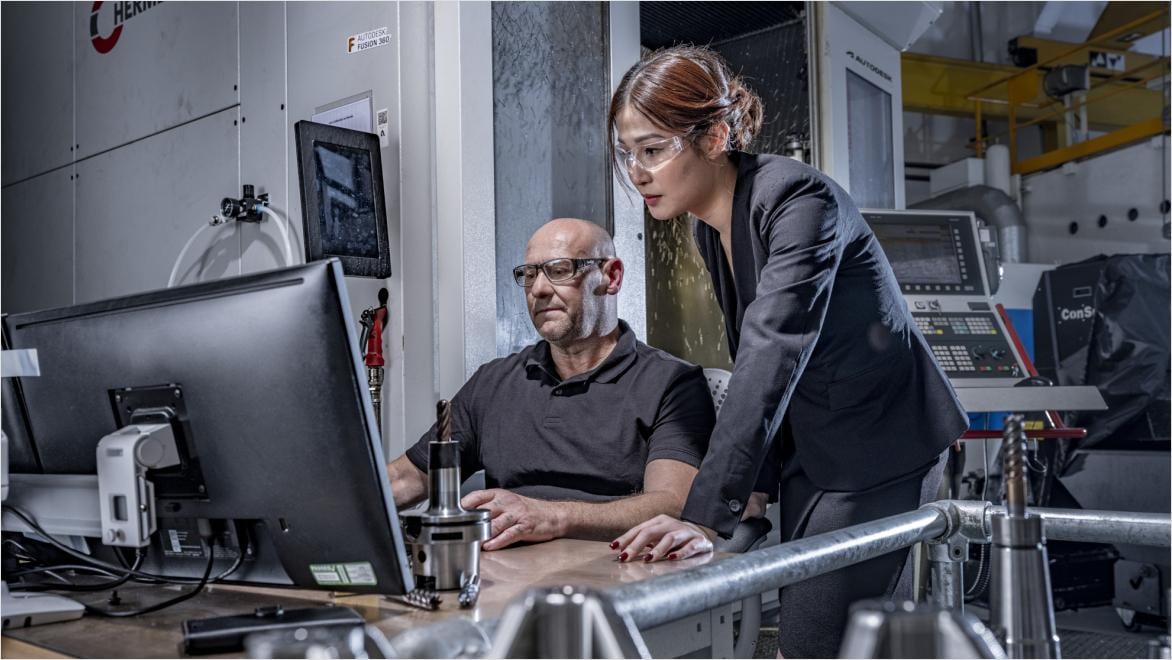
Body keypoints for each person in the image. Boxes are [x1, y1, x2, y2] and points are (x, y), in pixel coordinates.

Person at [606, 46, 967, 657]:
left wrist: (703, 516)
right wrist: (755, 486)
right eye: (627, 154)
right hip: (817, 446)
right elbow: (752, 349)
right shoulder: (709, 223)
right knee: (812, 624)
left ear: (715, 136)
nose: (638, 171)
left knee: (818, 638)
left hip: (881, 444)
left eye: (652, 148)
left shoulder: (799, 199)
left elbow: (773, 350)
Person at [387, 218, 715, 551]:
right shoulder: (494, 382)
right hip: (499, 572)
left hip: (612, 571)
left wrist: (553, 517)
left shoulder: (671, 382)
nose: (539, 289)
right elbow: (405, 479)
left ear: (612, 276)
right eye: (529, 274)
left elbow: (672, 504)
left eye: (560, 270)